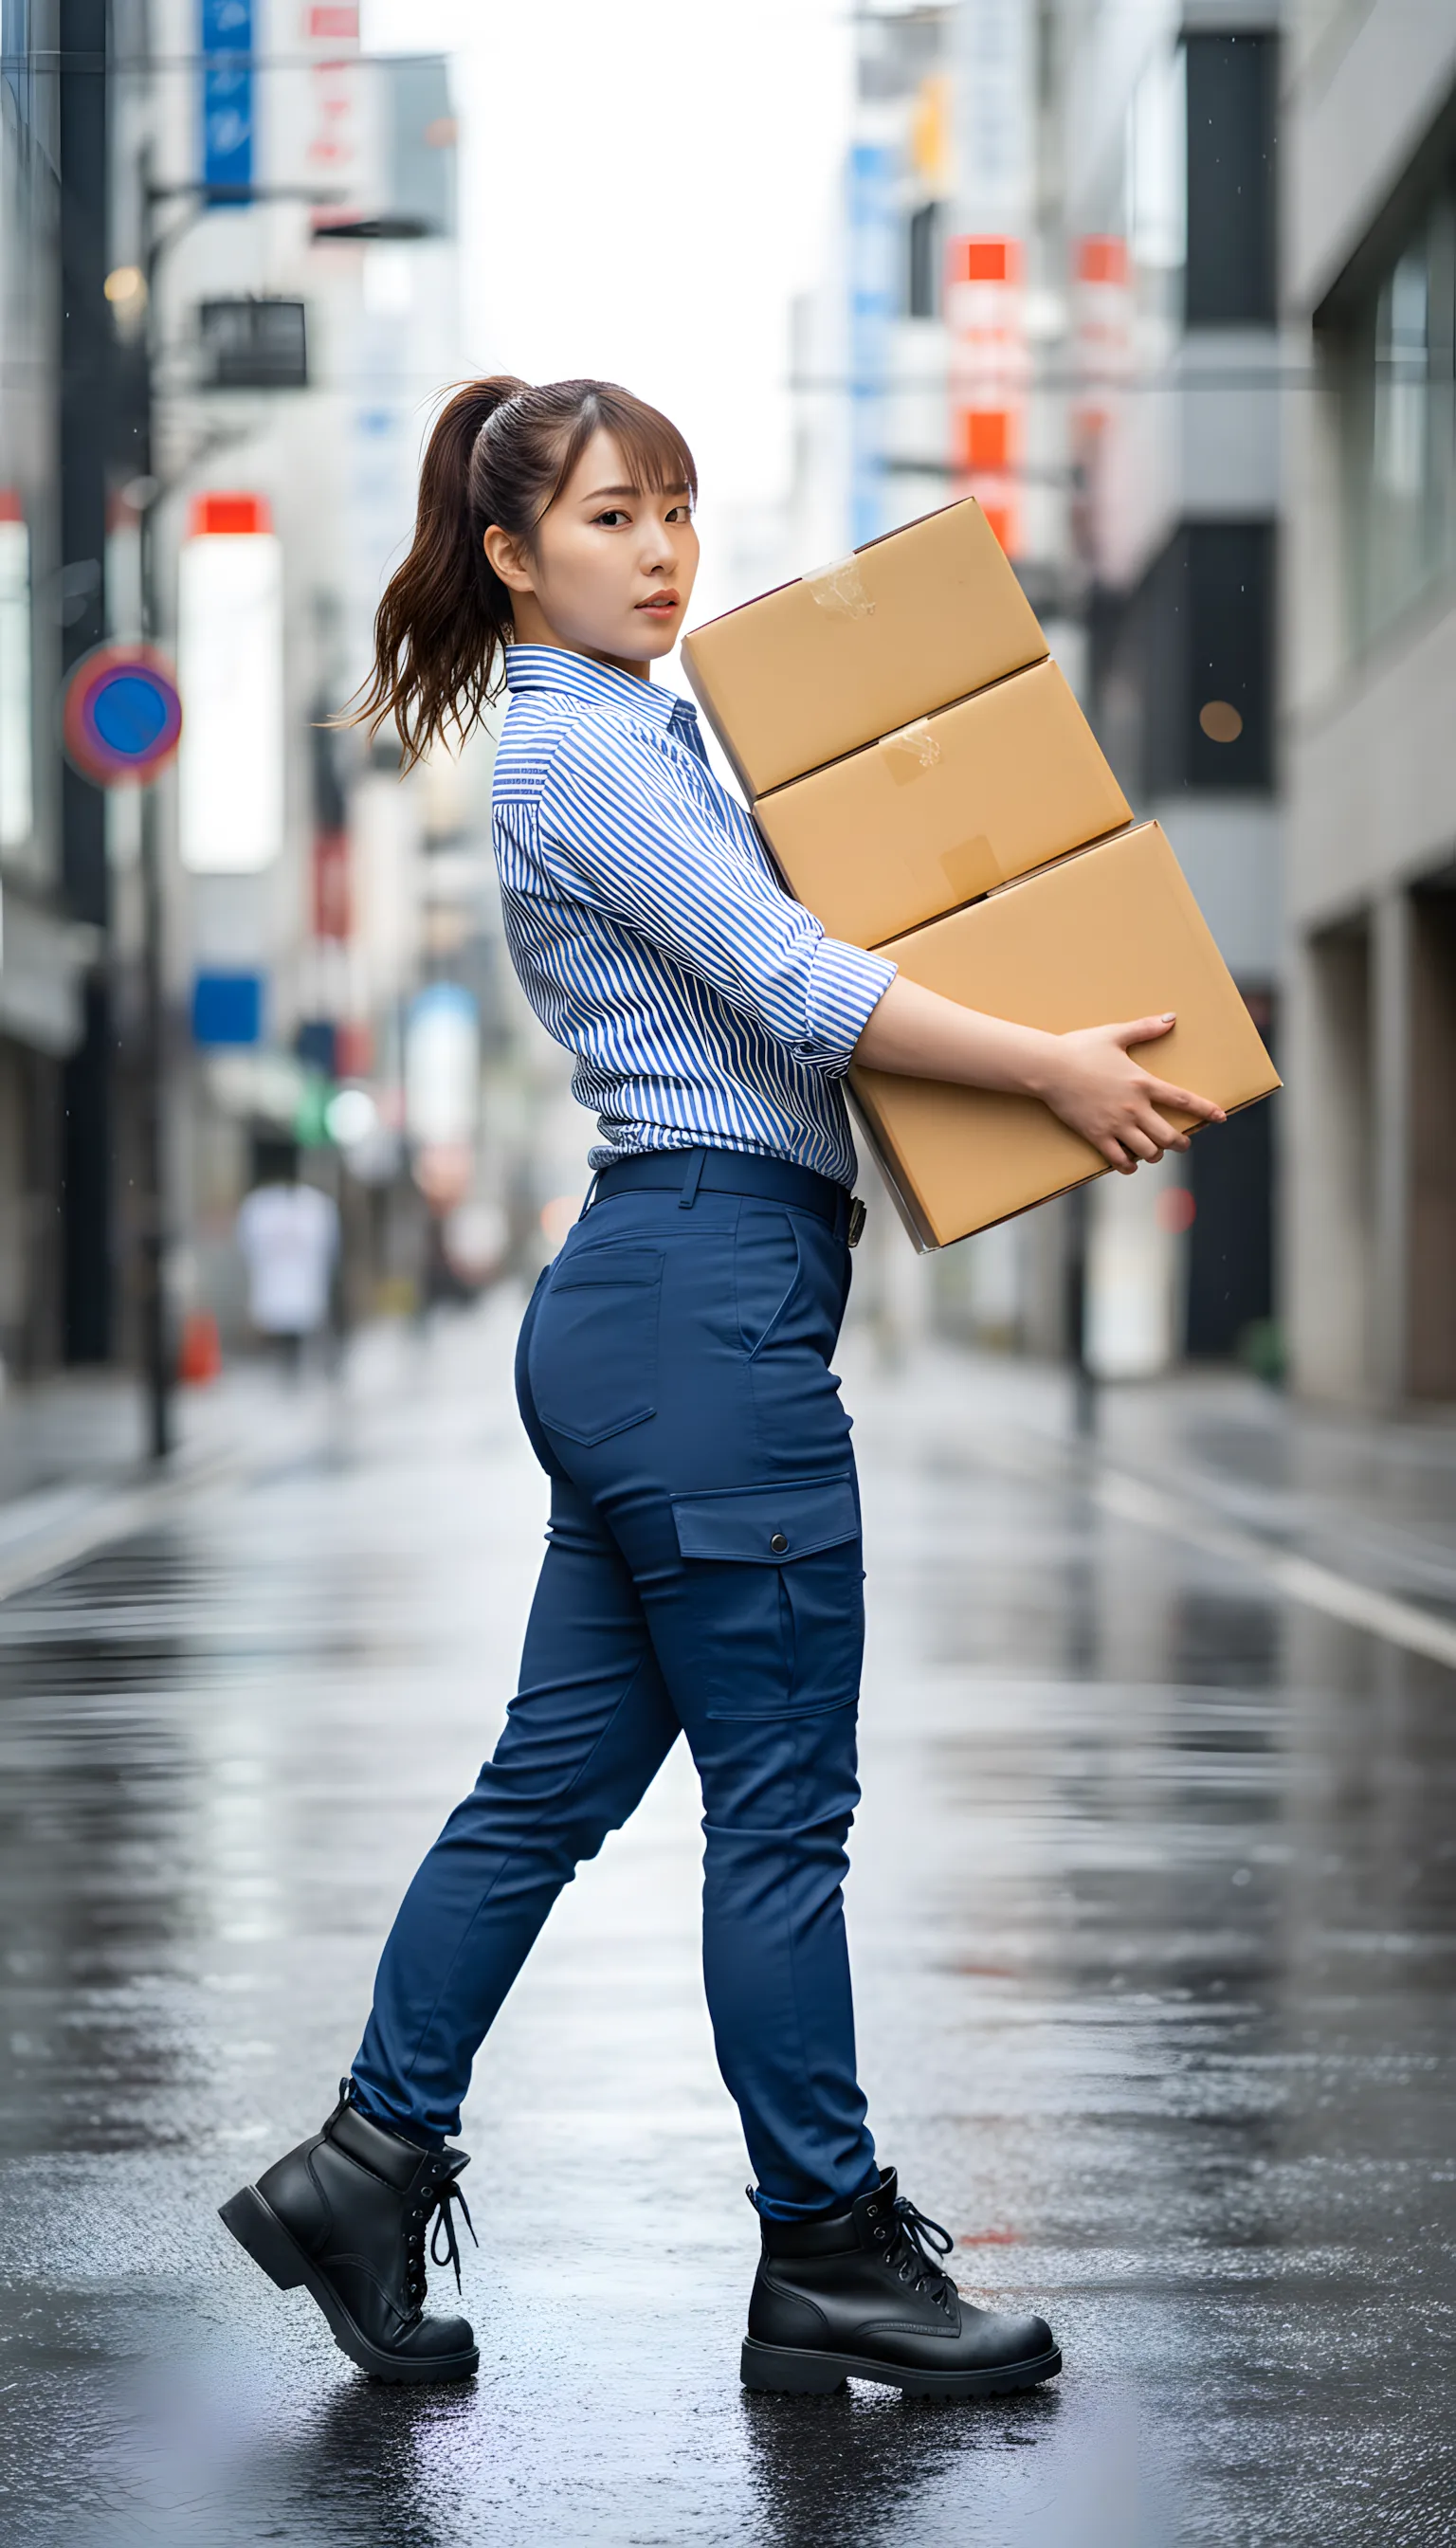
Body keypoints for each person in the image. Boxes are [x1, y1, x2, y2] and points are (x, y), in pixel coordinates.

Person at [220, 378, 1224, 2395]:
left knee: (551, 1790)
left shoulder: (656, 727)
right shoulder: (575, 757)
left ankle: (362, 2165)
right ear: (513, 556)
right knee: (782, 1805)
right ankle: (827, 2243)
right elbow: (792, 981)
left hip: (675, 1298)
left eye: (676, 509)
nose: (663, 549)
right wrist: (1052, 1067)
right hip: (698, 1298)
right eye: (612, 518)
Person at [235, 1138, 339, 1378]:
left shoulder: (311, 1206)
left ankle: (294, 1365)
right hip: (285, 1285)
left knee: (294, 1321)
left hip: (297, 1285)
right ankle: (290, 1365)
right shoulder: (268, 1207)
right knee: (286, 1321)